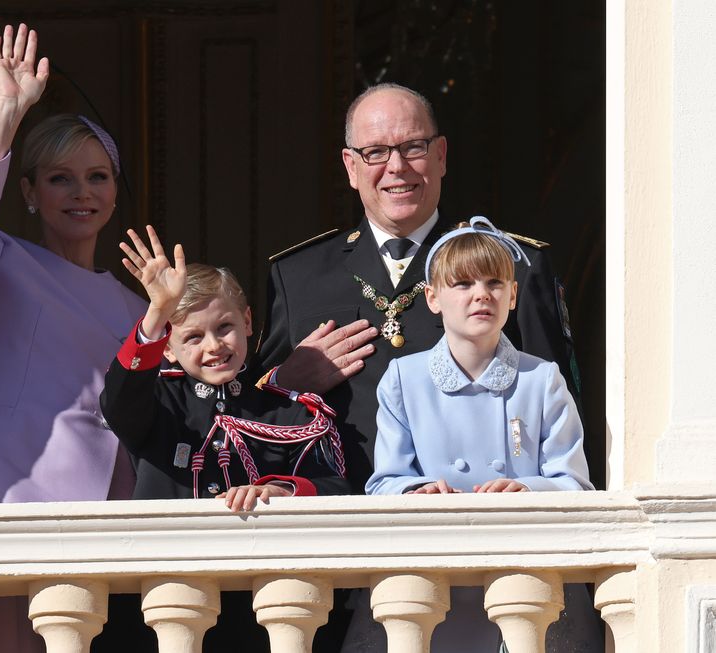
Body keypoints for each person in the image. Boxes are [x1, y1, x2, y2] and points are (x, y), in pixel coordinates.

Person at [0, 24, 147, 651]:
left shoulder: (138, 304)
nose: (82, 192)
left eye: (98, 177)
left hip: (102, 507)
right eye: (60, 178)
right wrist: (7, 111)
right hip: (5, 489)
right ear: (27, 192)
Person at [258, 83, 580, 495]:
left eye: (413, 147)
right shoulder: (297, 275)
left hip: (474, 518)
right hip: (335, 517)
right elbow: (240, 414)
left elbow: (560, 415)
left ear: (441, 155)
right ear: (350, 167)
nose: (396, 167)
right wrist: (286, 381)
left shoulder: (513, 264)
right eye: (375, 152)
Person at [342, 217, 597, 653]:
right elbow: (384, 481)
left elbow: (575, 483)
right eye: (462, 283)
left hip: (523, 579)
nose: (482, 294)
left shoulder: (542, 380)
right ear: (433, 297)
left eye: (495, 282)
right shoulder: (404, 378)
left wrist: (525, 487)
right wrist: (416, 490)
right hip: (433, 583)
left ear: (513, 294)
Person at [100, 226, 349, 652]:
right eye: (193, 337)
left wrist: (279, 489)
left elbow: (335, 487)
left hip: (257, 613)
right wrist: (156, 314)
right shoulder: (159, 404)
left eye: (225, 327)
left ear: (248, 321)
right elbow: (119, 399)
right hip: (165, 604)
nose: (214, 345)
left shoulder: (288, 409)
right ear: (170, 349)